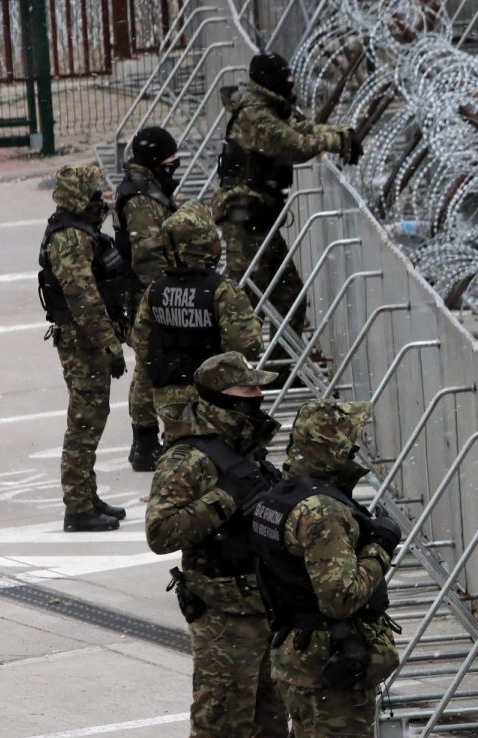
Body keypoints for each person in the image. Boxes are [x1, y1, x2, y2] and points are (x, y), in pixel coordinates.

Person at [145, 352, 287, 738]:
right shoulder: (189, 460)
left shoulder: (249, 449)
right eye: (249, 393)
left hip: (268, 610)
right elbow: (160, 532)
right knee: (218, 731)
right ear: (222, 400)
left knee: (272, 727)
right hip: (224, 618)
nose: (259, 399)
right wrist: (225, 499)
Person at [247, 399, 400, 738]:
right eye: (350, 442)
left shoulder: (279, 496)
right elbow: (341, 596)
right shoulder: (321, 511)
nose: (357, 448)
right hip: (329, 662)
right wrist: (380, 547)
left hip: (296, 654)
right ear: (334, 451)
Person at [216, 51, 357, 384]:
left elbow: (304, 128)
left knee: (288, 294)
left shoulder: (272, 105)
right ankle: (228, 374)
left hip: (260, 216)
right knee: (244, 302)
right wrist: (337, 140)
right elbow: (294, 145)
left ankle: (279, 371)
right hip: (243, 218)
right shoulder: (254, 114)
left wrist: (343, 132)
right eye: (285, 78)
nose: (289, 83)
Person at [39, 163, 131, 532]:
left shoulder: (79, 231)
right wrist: (110, 345)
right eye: (94, 192)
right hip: (83, 342)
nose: (100, 198)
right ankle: (78, 507)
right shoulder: (70, 239)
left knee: (92, 417)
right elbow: (84, 300)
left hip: (86, 339)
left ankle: (86, 496)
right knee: (83, 422)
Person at [132, 201, 264, 440]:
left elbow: (143, 349)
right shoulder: (222, 290)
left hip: (169, 401)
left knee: (178, 449)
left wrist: (143, 419)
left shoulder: (155, 291)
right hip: (215, 398)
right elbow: (247, 346)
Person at [114, 125, 181, 471]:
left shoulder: (148, 188)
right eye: (170, 163)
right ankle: (144, 442)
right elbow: (147, 256)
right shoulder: (141, 199)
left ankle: (147, 441)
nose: (174, 170)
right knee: (149, 365)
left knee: (151, 363)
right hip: (147, 295)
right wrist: (166, 295)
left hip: (149, 292)